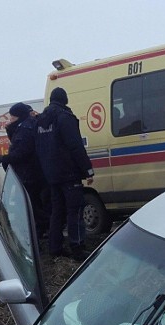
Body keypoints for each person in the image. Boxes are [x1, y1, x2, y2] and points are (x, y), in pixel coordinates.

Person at [35, 87, 95, 262]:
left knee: (57, 212)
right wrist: (87, 169)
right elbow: (75, 145)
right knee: (74, 210)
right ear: (65, 100)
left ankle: (56, 247)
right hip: (69, 173)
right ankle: (77, 247)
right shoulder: (64, 117)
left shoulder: (40, 121)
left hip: (51, 175)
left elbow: (38, 148)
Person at [0, 102, 50, 237]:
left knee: (32, 206)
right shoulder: (29, 125)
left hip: (30, 175)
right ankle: (41, 229)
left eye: (13, 117)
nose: (10, 120)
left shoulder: (25, 129)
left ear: (19, 116)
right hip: (35, 173)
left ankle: (42, 229)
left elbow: (22, 151)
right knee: (36, 204)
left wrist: (5, 158)